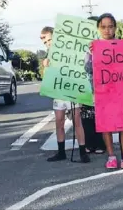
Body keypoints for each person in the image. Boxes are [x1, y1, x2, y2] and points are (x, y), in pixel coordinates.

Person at [84, 13, 123, 169]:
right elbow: (88, 69)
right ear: (98, 28)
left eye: (110, 26)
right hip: (103, 92)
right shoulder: (93, 47)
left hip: (121, 91)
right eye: (103, 27)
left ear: (115, 28)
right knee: (106, 124)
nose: (107, 30)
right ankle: (111, 157)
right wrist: (91, 55)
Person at [40, 26, 90, 163]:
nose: (48, 43)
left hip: (72, 90)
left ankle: (82, 152)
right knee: (59, 121)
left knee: (77, 120)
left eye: (49, 39)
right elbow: (47, 77)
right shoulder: (49, 55)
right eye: (45, 42)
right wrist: (46, 67)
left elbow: (80, 66)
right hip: (59, 92)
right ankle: (61, 152)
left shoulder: (68, 50)